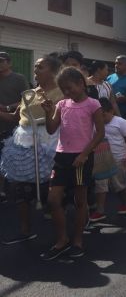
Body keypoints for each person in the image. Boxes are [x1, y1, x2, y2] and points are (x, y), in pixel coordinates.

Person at [41, 67, 105, 260]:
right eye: (63, 89)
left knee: (79, 201)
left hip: (81, 157)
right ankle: (62, 239)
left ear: (80, 83)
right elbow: (52, 129)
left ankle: (77, 240)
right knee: (53, 200)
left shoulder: (93, 104)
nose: (67, 93)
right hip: (62, 156)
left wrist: (84, 154)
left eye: (69, 88)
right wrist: (48, 112)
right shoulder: (62, 104)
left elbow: (100, 133)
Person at [0, 55, 62, 244]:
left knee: (54, 189)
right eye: (35, 68)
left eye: (40, 67)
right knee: (21, 188)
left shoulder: (63, 93)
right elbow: (14, 118)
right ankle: (25, 230)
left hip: (52, 143)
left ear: (53, 71)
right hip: (24, 144)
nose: (35, 71)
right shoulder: (29, 94)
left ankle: (61, 232)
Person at [89, 98, 126, 222]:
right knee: (100, 185)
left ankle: (124, 203)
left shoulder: (121, 122)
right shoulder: (95, 125)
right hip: (101, 160)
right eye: (99, 115)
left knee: (119, 184)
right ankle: (100, 210)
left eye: (104, 115)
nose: (102, 118)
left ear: (111, 111)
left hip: (119, 158)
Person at [0, 51, 29, 201]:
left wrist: (7, 108)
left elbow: (26, 100)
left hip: (14, 125)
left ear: (9, 63)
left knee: (13, 157)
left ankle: (18, 190)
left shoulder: (19, 79)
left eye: (1, 60)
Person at [107, 55, 126, 127]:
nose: (116, 65)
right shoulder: (109, 77)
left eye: (119, 64)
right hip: (110, 114)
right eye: (116, 63)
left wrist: (125, 99)